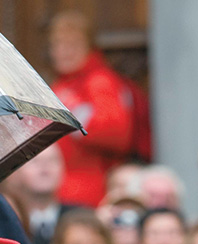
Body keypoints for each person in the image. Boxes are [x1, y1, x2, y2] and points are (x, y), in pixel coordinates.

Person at [48, 12, 134, 208]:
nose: (63, 51)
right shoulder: (63, 84)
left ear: (89, 48)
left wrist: (76, 115)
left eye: (72, 45)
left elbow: (117, 133)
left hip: (88, 189)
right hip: (61, 186)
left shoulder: (99, 82)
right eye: (57, 45)